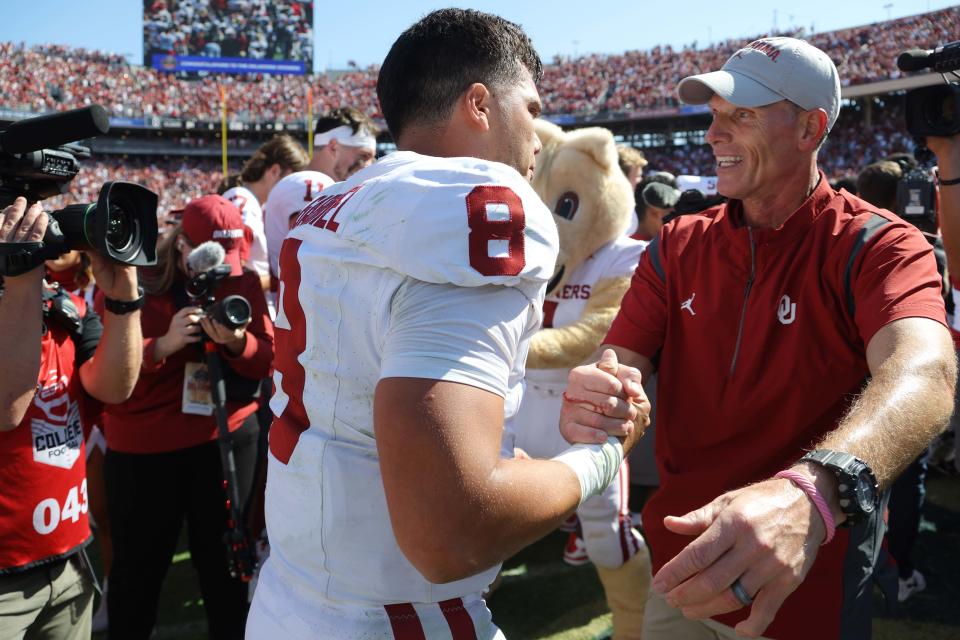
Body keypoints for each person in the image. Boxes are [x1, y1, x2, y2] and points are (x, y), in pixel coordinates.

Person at [248, 9, 649, 639]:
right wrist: (600, 456)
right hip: (396, 612)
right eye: (530, 108)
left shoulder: (337, 202)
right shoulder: (472, 203)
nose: (539, 139)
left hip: (292, 592)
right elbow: (448, 534)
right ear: (480, 104)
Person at [567, 37, 956, 640]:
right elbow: (620, 356)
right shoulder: (676, 243)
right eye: (716, 114)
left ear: (810, 128)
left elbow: (926, 375)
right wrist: (603, 387)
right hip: (681, 560)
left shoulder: (881, 244)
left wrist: (814, 490)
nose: (715, 133)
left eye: (742, 114)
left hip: (801, 577)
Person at [102, 195, 274, 640]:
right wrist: (161, 345)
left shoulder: (243, 279)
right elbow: (105, 376)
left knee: (225, 572)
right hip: (145, 449)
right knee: (137, 575)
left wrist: (237, 344)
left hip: (224, 439)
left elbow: (265, 360)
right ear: (181, 246)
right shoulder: (137, 278)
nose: (219, 273)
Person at [0, 198, 143, 639]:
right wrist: (21, 284)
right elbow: (7, 409)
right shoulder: (32, 298)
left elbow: (114, 388)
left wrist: (123, 299)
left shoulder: (66, 309)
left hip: (68, 562)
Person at [222, 134, 309, 292]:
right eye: (290, 182)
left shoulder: (259, 206)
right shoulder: (244, 201)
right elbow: (232, 276)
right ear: (275, 171)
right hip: (244, 307)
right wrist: (281, 280)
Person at [309, 106, 379, 183]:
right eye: (364, 156)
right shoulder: (295, 191)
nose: (369, 166)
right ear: (333, 148)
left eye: (372, 159)